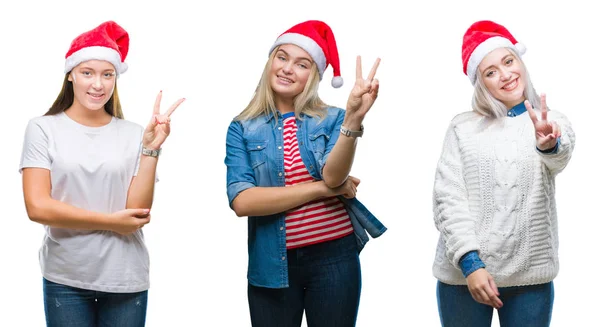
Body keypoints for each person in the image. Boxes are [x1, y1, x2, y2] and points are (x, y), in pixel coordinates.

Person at [19, 20, 184, 326]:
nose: (98, 84)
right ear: (70, 74)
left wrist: (151, 149)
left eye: (107, 75)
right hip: (65, 277)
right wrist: (110, 222)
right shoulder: (43, 128)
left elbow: (136, 211)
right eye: (87, 73)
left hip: (125, 278)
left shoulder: (134, 133)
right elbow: (37, 207)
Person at [224, 20, 386, 327]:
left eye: (302, 64)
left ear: (314, 76)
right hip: (272, 263)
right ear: (270, 62)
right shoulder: (242, 127)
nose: (287, 68)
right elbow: (242, 202)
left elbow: (335, 176)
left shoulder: (332, 119)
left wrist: (352, 119)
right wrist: (321, 190)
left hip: (334, 259)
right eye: (282, 57)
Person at [432, 20, 575, 327]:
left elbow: (559, 157)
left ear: (520, 62)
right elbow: (448, 199)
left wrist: (548, 144)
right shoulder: (463, 127)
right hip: (464, 278)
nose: (505, 75)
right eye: (491, 71)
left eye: (508, 62)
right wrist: (471, 264)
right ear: (480, 83)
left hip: (530, 279)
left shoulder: (552, 120)